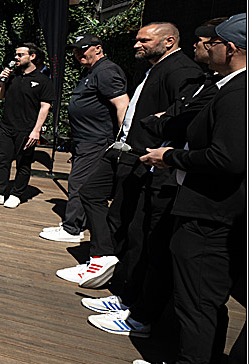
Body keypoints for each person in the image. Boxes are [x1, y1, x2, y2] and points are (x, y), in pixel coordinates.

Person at [122, 13, 245, 364]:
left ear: (229, 48)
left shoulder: (239, 93)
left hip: (211, 216)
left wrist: (170, 156)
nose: (203, 49)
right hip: (205, 212)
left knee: (199, 304)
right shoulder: (228, 89)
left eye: (211, 44)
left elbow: (228, 158)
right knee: (195, 300)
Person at [61, 22, 203, 290]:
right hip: (124, 148)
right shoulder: (155, 68)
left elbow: (185, 114)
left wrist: (158, 132)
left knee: (129, 218)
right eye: (137, 39)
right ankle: (103, 255)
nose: (136, 45)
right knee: (92, 192)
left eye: (144, 40)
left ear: (169, 41)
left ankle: (108, 265)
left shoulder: (181, 70)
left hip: (146, 155)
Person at [40, 35, 128, 243]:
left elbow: (122, 104)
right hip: (84, 140)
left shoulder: (106, 71)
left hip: (96, 140)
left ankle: (72, 229)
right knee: (80, 181)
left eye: (83, 49)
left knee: (79, 182)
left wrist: (122, 138)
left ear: (98, 49)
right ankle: (73, 223)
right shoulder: (92, 71)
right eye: (76, 50)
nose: (78, 53)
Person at [0, 44, 53, 209]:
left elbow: (45, 107)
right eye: (16, 55)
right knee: (3, 161)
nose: (16, 58)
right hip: (7, 126)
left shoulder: (43, 80)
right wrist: (2, 81)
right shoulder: (12, 76)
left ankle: (16, 194)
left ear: (32, 56)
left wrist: (36, 131)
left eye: (20, 55)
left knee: (23, 163)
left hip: (27, 128)